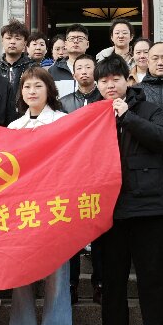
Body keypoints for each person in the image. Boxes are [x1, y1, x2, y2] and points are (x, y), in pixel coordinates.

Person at [92, 55, 163, 325]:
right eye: (104, 81)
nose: (110, 85)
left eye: (115, 79)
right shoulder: (92, 115)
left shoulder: (149, 109)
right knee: (112, 284)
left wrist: (127, 117)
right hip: (108, 211)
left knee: (151, 282)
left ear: (128, 80)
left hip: (146, 208)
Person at [2, 67, 74, 325]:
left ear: (49, 90)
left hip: (54, 210)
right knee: (21, 280)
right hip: (21, 212)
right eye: (27, 87)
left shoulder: (62, 122)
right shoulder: (13, 127)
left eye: (38, 86)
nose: (32, 91)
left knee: (56, 280)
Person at [58, 52, 104, 303]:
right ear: (73, 74)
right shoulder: (63, 103)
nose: (85, 71)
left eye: (89, 67)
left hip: (99, 173)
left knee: (99, 232)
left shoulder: (105, 100)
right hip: (72, 175)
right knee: (72, 233)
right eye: (80, 68)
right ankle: (71, 283)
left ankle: (100, 282)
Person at [48, 24, 90, 98]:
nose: (76, 41)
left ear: (87, 44)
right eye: (72, 38)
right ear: (66, 44)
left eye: (80, 38)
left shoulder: (95, 69)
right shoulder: (53, 70)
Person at [0, 19, 34, 86]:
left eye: (17, 38)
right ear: (2, 41)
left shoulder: (33, 67)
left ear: (25, 43)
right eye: (8, 38)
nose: (12, 42)